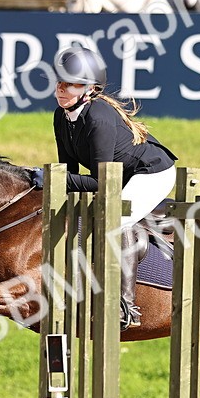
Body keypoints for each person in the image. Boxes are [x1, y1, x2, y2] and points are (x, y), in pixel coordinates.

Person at [52, 45, 178, 331]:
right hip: (117, 176)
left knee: (117, 218)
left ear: (90, 88)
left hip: (151, 173)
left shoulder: (98, 116)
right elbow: (69, 174)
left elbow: (99, 183)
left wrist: (49, 178)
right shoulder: (61, 117)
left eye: (69, 83)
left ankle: (127, 305)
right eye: (59, 82)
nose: (60, 89)